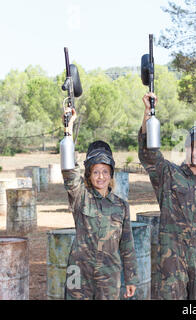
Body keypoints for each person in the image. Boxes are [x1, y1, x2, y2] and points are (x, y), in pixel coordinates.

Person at [138, 92, 196, 300]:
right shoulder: (168, 175)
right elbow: (148, 153)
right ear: (187, 148)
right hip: (172, 262)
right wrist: (148, 114)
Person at [61, 108, 139, 300]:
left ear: (111, 174)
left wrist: (131, 278)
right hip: (77, 271)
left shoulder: (121, 206)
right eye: (96, 172)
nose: (101, 177)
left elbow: (127, 245)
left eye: (105, 171)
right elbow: (69, 172)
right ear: (89, 174)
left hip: (109, 274)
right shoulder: (81, 196)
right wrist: (68, 129)